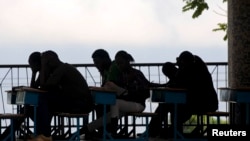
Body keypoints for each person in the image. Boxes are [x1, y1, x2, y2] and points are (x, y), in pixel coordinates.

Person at [81, 50, 151, 139]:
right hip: (126, 104)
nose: (119, 66)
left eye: (121, 63)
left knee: (115, 102)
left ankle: (113, 133)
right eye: (117, 64)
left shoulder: (136, 74)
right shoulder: (122, 76)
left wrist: (129, 94)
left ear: (127, 61)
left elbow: (146, 92)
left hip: (138, 104)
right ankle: (82, 131)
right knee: (104, 119)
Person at [29, 50, 94, 141]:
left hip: (81, 104)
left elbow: (44, 87)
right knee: (37, 107)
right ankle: (43, 134)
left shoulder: (62, 68)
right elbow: (34, 88)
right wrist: (34, 73)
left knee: (44, 100)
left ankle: (45, 135)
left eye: (46, 62)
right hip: (72, 101)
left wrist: (43, 66)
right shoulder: (54, 70)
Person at [0, 51, 42, 141]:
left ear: (36, 63)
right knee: (23, 111)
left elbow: (33, 88)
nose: (30, 67)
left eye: (31, 65)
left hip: (46, 106)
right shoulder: (41, 73)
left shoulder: (44, 74)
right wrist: (33, 74)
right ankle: (8, 134)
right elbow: (33, 87)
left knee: (24, 111)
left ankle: (7, 135)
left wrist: (34, 73)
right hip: (43, 105)